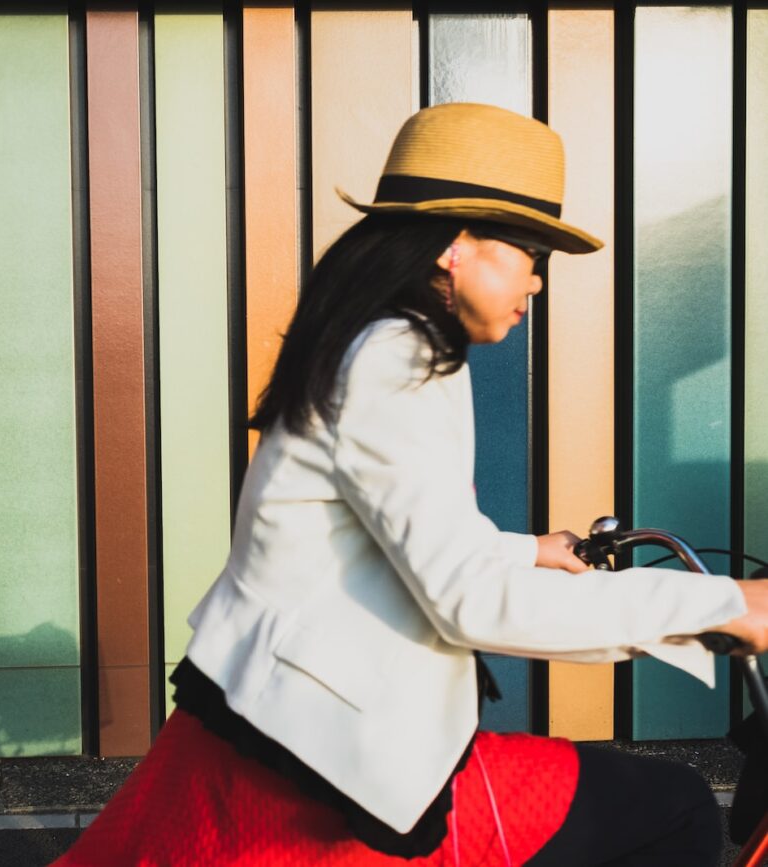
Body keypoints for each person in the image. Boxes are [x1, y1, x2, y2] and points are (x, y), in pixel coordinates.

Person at [54, 102, 768, 866]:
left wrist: (532, 550)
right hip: (325, 759)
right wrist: (726, 604)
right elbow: (465, 597)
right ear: (458, 245)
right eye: (532, 251)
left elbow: (381, 531)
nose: (536, 279)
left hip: (281, 725)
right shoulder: (402, 357)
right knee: (676, 808)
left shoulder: (375, 337)